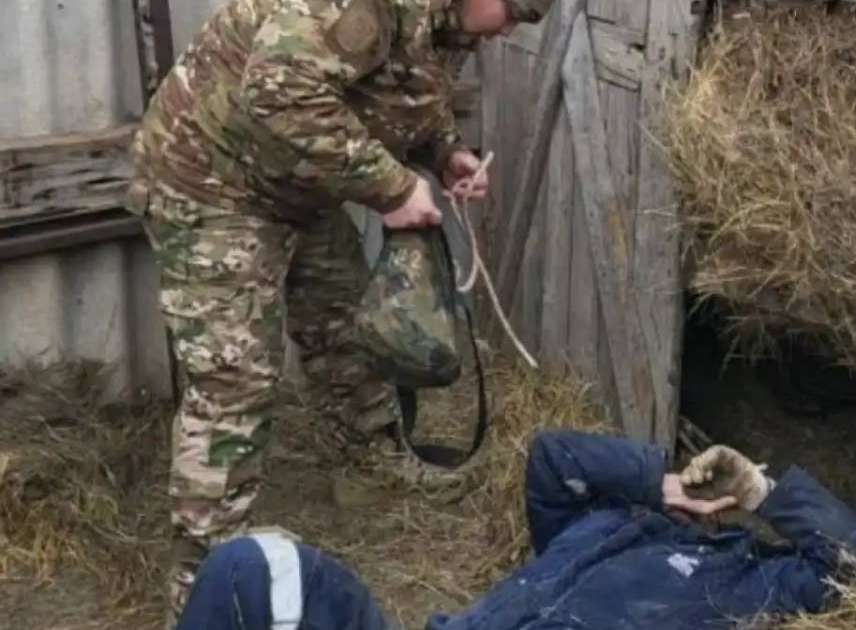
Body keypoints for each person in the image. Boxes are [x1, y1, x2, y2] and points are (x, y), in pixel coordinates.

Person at [125, 0, 556, 617]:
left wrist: (443, 152)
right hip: (212, 181)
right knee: (236, 381)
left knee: (344, 321)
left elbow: (401, 92)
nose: (513, 28)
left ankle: (368, 463)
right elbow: (279, 96)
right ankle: (206, 588)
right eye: (516, 11)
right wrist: (393, 187)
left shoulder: (438, 19)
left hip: (296, 186)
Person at [176, 431, 856, 629]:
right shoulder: (599, 521)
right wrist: (657, 485)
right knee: (249, 565)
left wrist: (762, 493)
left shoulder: (747, 581)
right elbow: (552, 457)